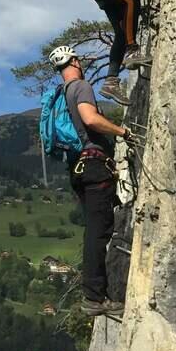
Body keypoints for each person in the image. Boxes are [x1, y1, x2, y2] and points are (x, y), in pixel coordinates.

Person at [48, 44, 134, 317]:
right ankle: (94, 297)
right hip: (95, 166)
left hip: (78, 168)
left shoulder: (61, 93)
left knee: (95, 228)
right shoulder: (80, 86)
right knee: (98, 232)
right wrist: (122, 131)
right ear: (74, 61)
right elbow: (90, 118)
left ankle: (95, 293)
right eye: (79, 59)